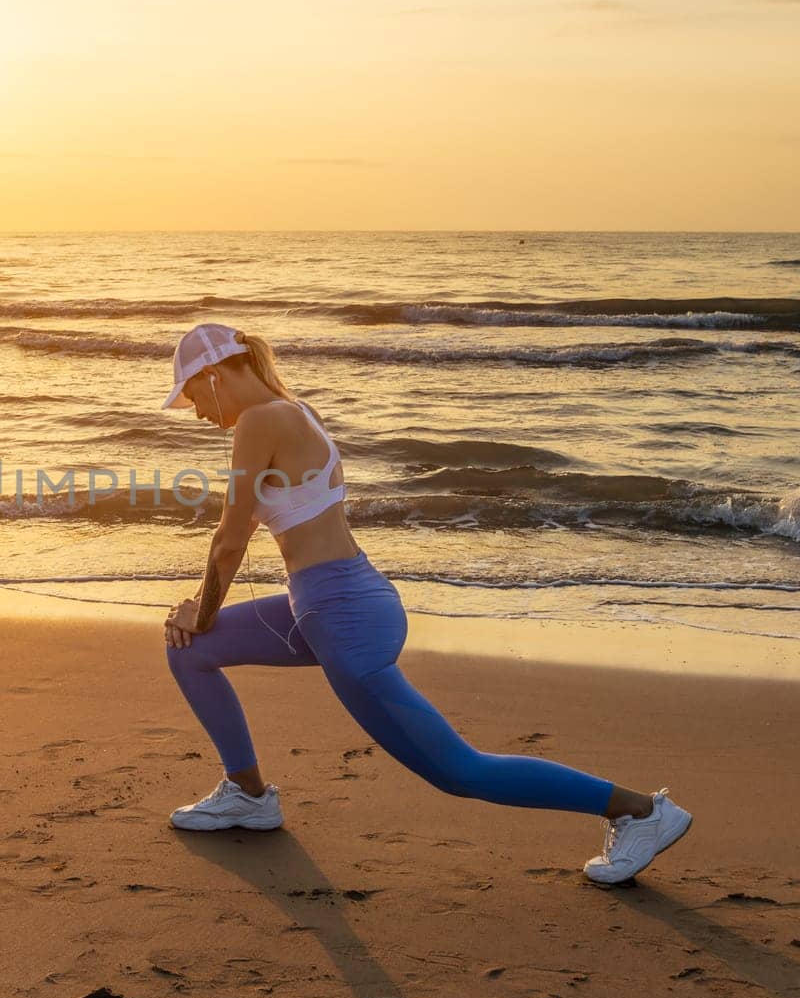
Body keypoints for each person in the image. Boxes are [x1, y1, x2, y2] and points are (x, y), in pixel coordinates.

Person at [158, 322, 692, 885]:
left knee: (460, 771)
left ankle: (640, 812)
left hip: (342, 621)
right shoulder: (296, 411)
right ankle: (247, 796)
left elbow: (229, 540)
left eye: (191, 396)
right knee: (190, 651)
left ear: (212, 375)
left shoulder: (259, 420)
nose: (195, 414)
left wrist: (203, 606)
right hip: (335, 601)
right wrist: (205, 621)